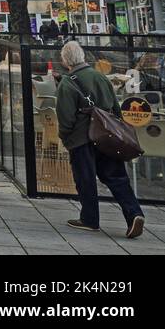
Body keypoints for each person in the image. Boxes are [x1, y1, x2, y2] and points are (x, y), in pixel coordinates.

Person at [56, 40, 144, 238]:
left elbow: (66, 117)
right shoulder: (100, 77)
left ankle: (89, 219)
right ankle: (134, 214)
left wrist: (66, 137)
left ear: (65, 60)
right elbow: (115, 107)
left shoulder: (68, 82)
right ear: (83, 56)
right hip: (107, 136)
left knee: (85, 179)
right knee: (117, 178)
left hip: (82, 138)